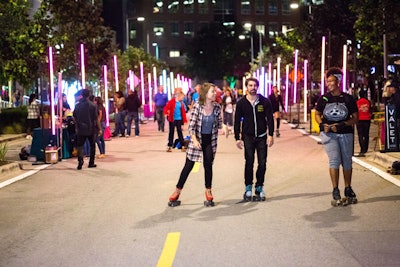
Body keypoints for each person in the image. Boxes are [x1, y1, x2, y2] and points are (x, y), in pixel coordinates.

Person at [168, 83, 222, 207]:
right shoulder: (197, 106)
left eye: (215, 91)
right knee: (188, 165)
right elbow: (191, 127)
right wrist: (195, 140)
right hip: (196, 139)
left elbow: (219, 124)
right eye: (212, 91)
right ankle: (177, 191)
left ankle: (208, 190)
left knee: (208, 165)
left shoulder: (217, 107)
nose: (215, 93)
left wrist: (224, 127)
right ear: (205, 93)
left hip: (210, 140)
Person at [315, 67, 359, 206]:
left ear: (338, 82)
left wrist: (343, 124)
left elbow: (355, 118)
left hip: (345, 133)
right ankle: (335, 189)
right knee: (334, 161)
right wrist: (322, 124)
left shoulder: (348, 98)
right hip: (329, 135)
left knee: (347, 161)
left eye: (331, 81)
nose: (329, 84)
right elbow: (317, 114)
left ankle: (348, 188)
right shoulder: (324, 98)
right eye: (327, 82)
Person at [234, 77, 274, 202]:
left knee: (262, 163)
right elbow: (236, 121)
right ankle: (248, 188)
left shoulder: (264, 101)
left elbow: (270, 119)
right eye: (250, 85)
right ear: (247, 87)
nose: (253, 88)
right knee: (249, 162)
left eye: (255, 85)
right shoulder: (241, 103)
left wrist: (270, 134)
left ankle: (259, 187)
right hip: (248, 137)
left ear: (258, 86)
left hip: (262, 137)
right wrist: (237, 137)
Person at [73, 89, 101, 170]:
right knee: (92, 146)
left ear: (82, 95)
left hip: (81, 128)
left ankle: (80, 161)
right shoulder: (93, 106)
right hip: (91, 128)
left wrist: (77, 125)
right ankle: (91, 162)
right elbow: (96, 118)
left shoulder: (77, 105)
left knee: (80, 146)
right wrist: (99, 129)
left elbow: (75, 116)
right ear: (89, 95)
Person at [355, 88, 371, 157]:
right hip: (367, 119)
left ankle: (362, 148)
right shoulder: (368, 102)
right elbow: (370, 110)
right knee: (366, 134)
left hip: (359, 120)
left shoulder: (357, 102)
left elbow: (355, 111)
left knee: (360, 135)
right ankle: (365, 148)